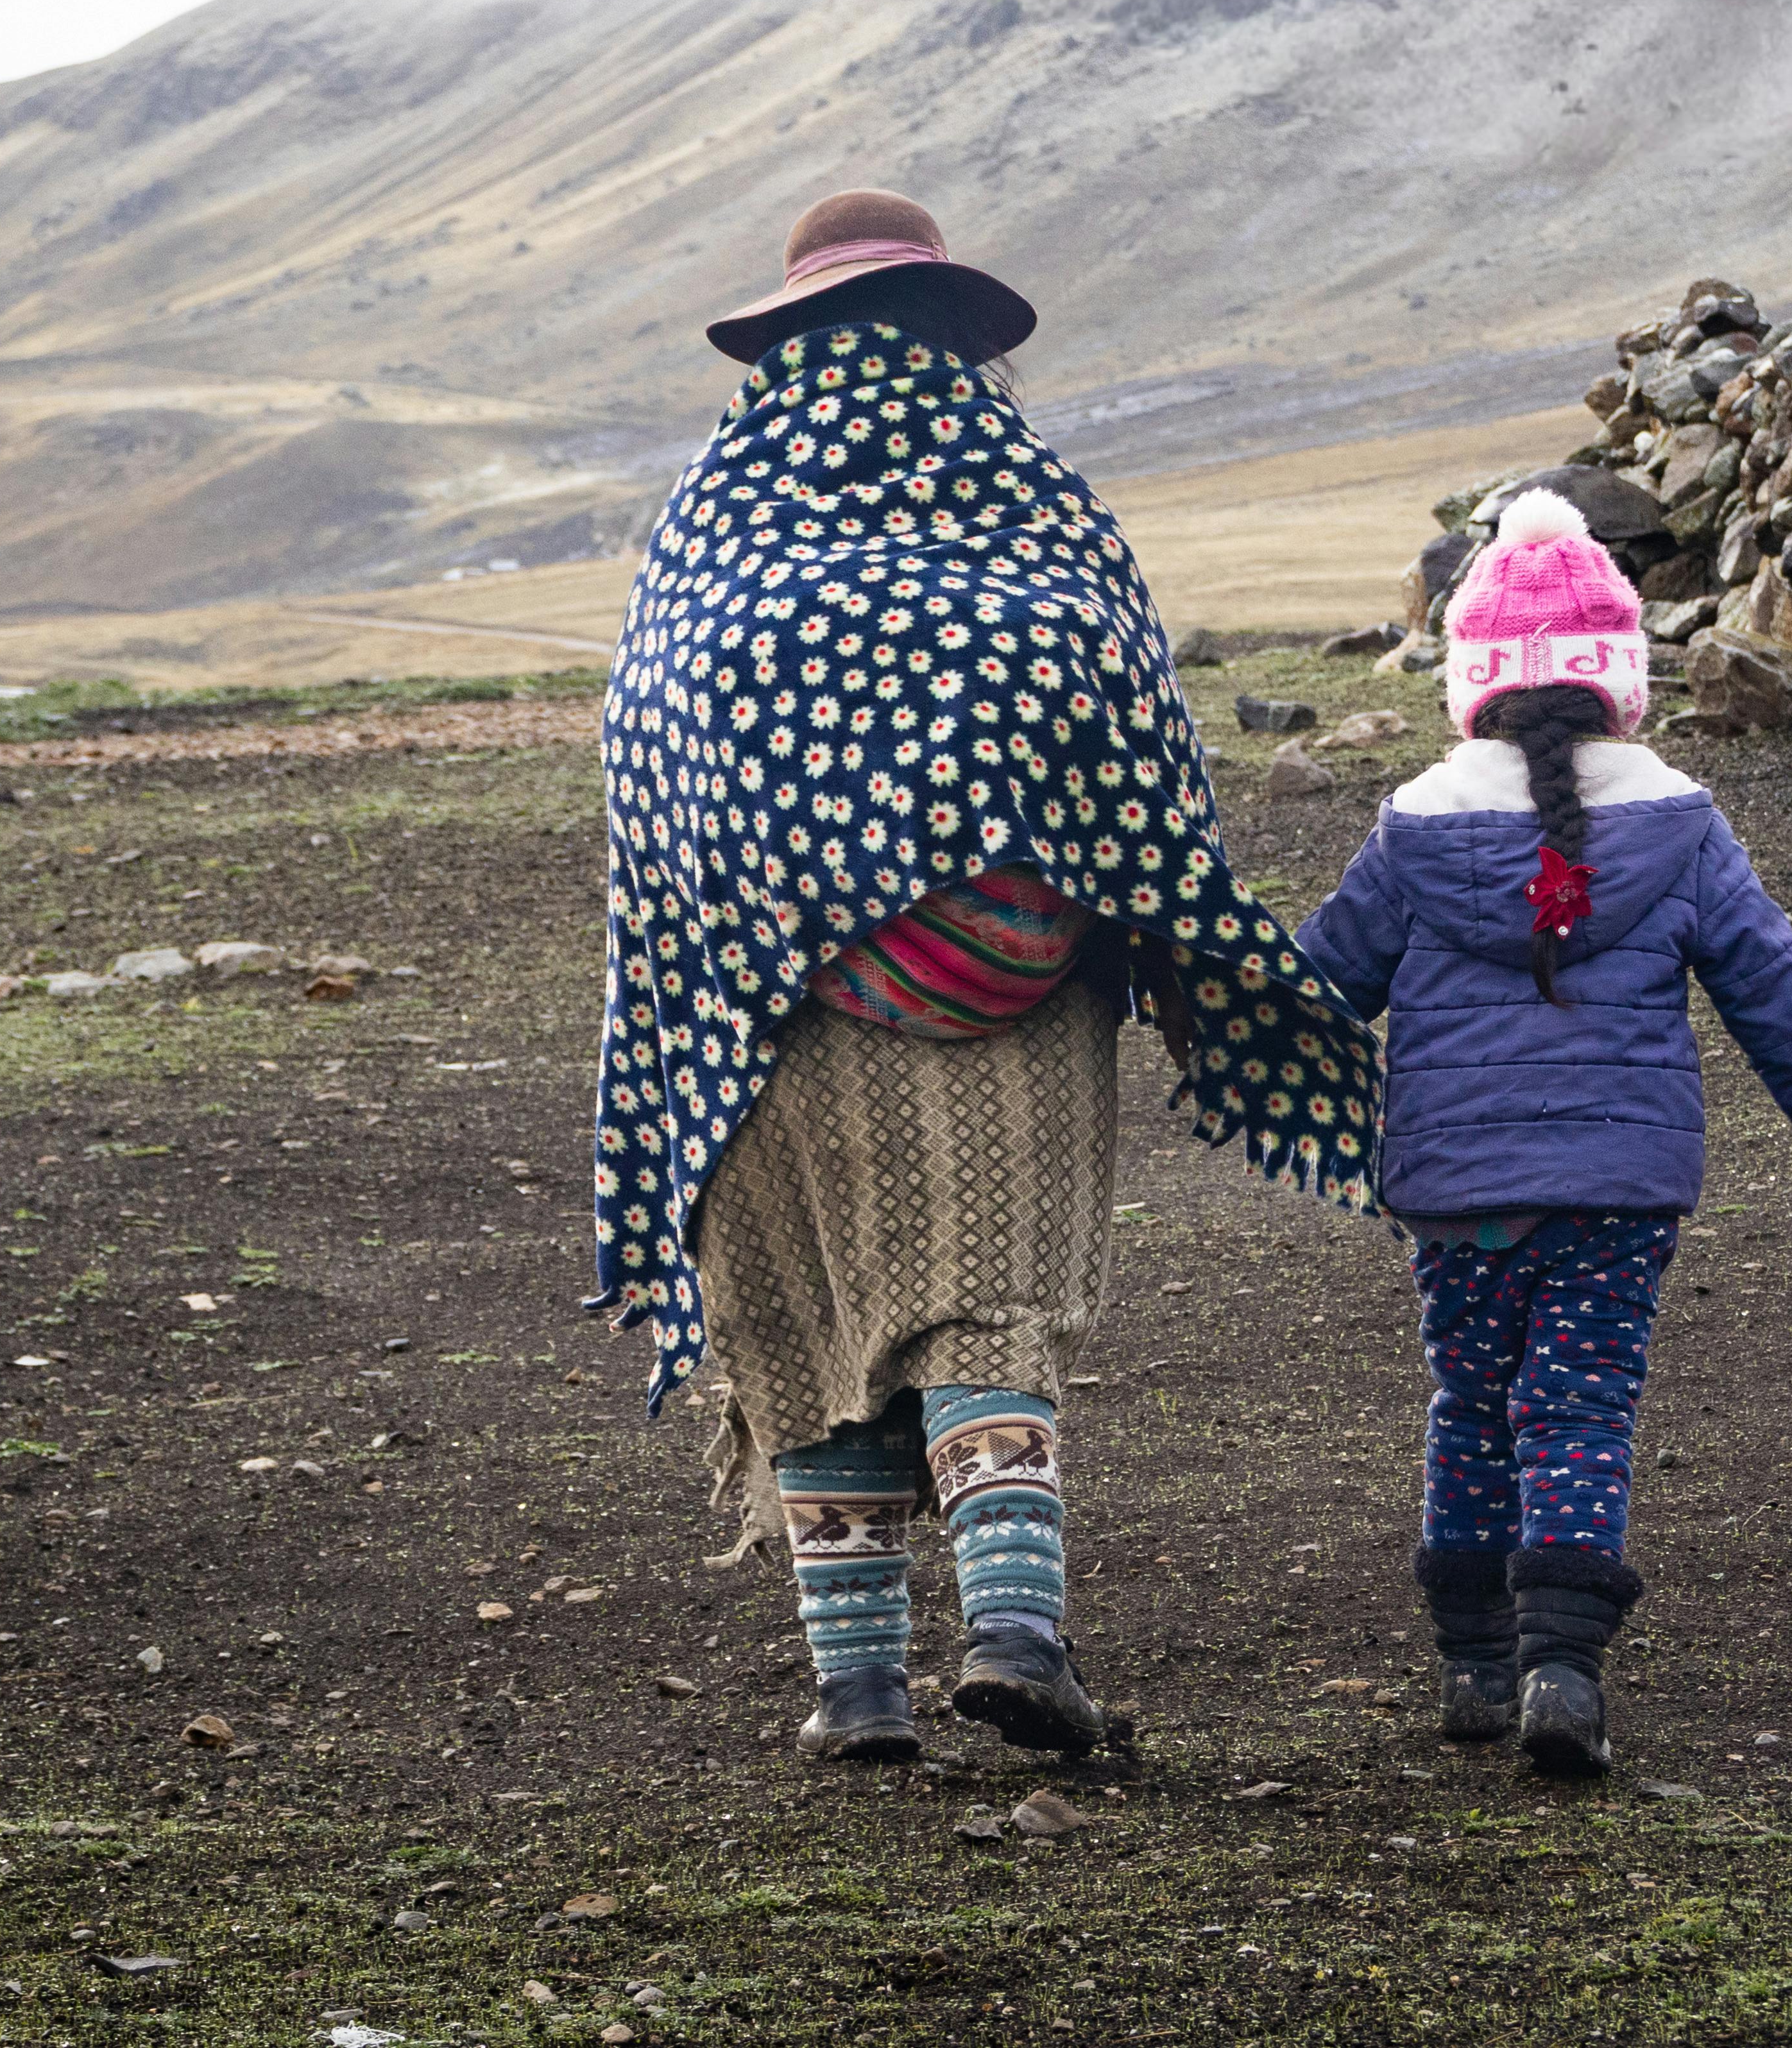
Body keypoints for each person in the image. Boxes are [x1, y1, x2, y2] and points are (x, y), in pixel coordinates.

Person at [589, 189, 1379, 1763]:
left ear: (785, 346)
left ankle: (860, 1693)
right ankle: (1013, 1636)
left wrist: (761, 935)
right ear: (959, 340)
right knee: (981, 1307)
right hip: (1011, 1010)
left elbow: (647, 792)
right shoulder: (1042, 519)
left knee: (811, 1326)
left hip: (767, 1026)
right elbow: (1144, 768)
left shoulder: (705, 553)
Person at [1296, 488, 1792, 1777]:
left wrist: (1208, 1031)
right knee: (1577, 1412)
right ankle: (1560, 1671)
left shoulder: (1412, 829)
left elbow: (1317, 991)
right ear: (1617, 676)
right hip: (1619, 1192)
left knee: (1471, 1403)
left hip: (1454, 1190)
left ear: (1475, 680)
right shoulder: (1681, 823)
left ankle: (1472, 1667)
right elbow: (1774, 991)